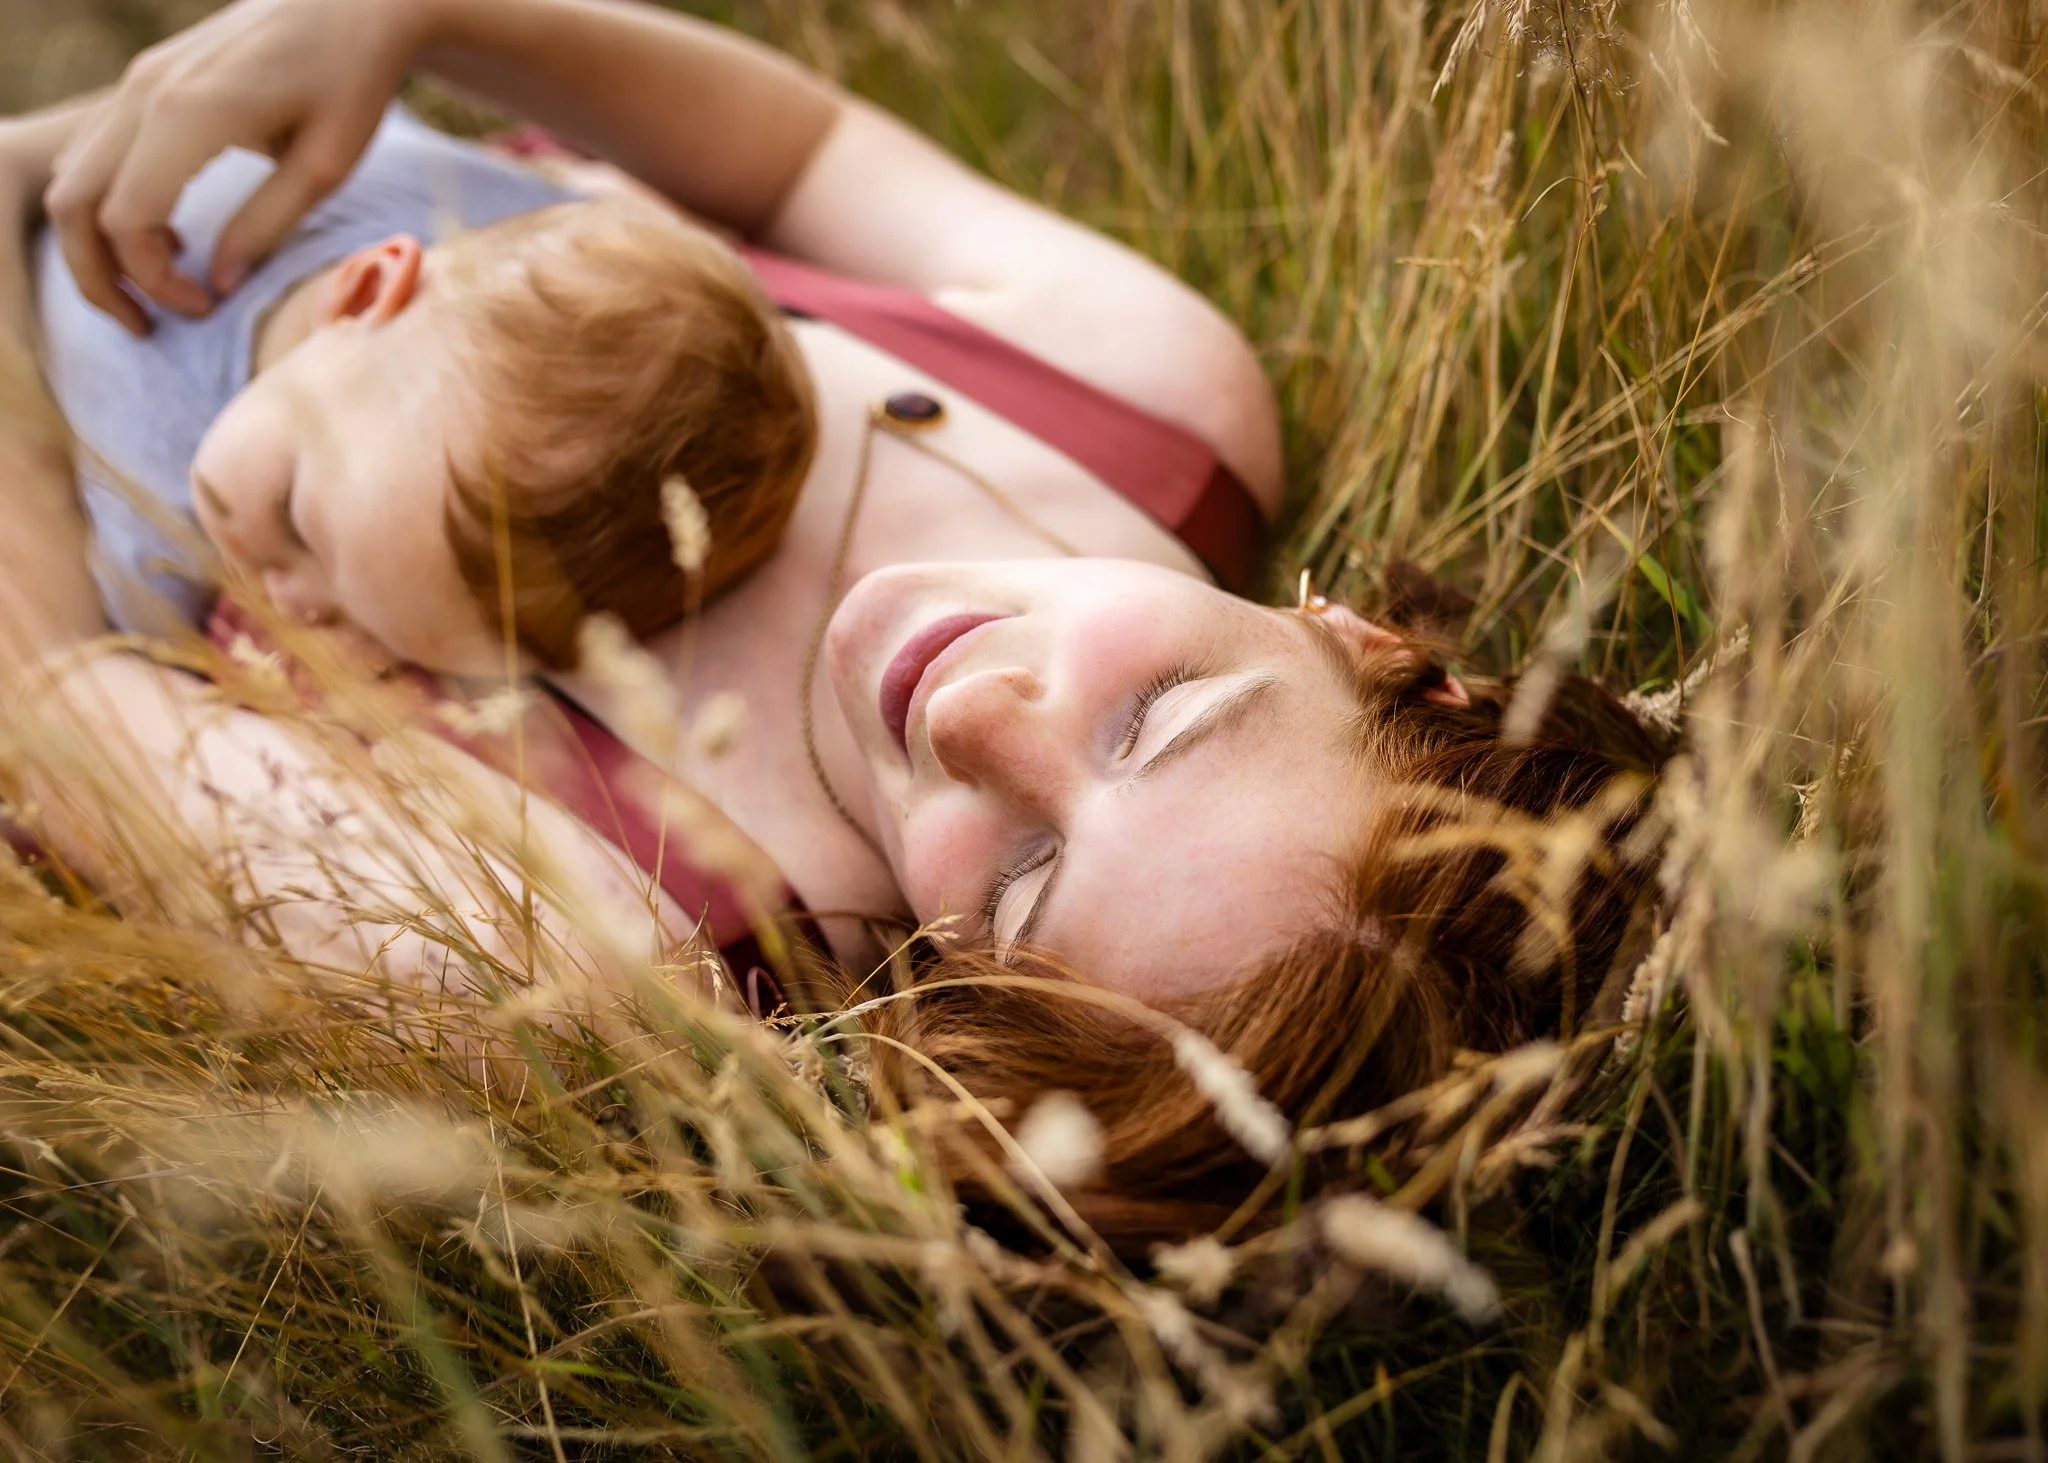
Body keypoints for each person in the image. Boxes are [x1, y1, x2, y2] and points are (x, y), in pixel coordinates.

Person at [0, 0, 1668, 1246]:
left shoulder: (577, 939)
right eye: (1154, 716)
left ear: (977, 1019)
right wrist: (400, 17)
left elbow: (54, 687)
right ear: (1359, 640)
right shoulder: (1137, 405)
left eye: (1019, 875)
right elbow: (792, 154)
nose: (967, 719)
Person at [32, 99, 814, 671]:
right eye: (295, 520)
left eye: (368, 631)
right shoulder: (461, 196)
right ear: (369, 289)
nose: (292, 603)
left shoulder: (148, 554)